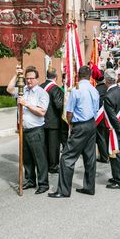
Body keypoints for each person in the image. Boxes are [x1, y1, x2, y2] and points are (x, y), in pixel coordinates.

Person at [49, 66, 99, 198]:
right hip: (91, 124)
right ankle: (89, 187)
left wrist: (71, 124)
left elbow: (69, 111)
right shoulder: (94, 90)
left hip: (80, 125)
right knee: (90, 158)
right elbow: (96, 109)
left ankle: (63, 190)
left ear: (78, 75)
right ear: (90, 76)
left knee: (67, 157)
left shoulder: (76, 91)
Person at [7, 65, 50, 195]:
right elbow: (9, 89)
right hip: (23, 130)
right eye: (27, 78)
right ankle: (30, 180)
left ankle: (43, 183)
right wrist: (16, 75)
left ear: (38, 79)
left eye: (32, 78)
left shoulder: (42, 93)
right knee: (27, 158)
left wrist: (27, 104)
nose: (29, 81)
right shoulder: (22, 89)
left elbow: (42, 112)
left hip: (36, 130)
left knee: (39, 158)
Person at [102, 69, 120, 189]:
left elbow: (112, 117)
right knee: (118, 154)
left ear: (106, 80)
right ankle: (116, 176)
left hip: (114, 130)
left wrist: (119, 129)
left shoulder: (108, 96)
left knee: (115, 154)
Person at [40, 67, 64, 174]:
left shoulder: (40, 87)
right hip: (53, 122)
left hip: (40, 121)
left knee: (44, 144)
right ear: (56, 77)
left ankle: (44, 163)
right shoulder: (56, 89)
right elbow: (59, 105)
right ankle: (53, 166)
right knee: (53, 146)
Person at [94, 70, 109, 163]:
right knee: (107, 136)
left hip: (99, 116)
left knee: (101, 137)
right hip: (108, 116)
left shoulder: (95, 89)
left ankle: (104, 156)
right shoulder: (108, 88)